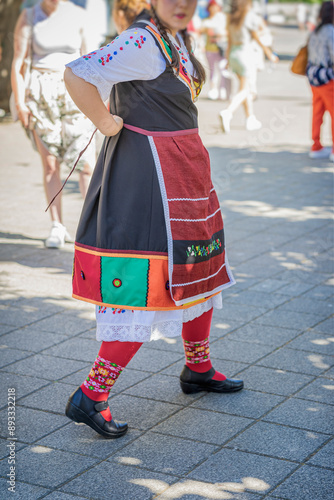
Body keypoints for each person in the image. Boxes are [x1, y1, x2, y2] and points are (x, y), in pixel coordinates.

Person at [63, 0, 243, 439]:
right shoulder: (143, 39)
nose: (182, 3)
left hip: (181, 172)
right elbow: (77, 73)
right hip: (150, 180)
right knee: (148, 284)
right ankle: (92, 395)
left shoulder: (173, 36)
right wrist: (105, 121)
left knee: (199, 267)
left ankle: (197, 367)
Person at [11, 0, 96, 248]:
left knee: (86, 163)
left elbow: (90, 59)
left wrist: (99, 100)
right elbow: (18, 61)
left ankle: (92, 227)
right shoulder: (29, 15)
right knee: (50, 165)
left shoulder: (79, 15)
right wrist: (20, 102)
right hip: (41, 94)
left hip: (74, 91)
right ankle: (57, 226)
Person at [219, 0, 278, 133]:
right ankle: (228, 111)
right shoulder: (249, 16)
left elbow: (229, 40)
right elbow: (257, 37)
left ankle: (250, 118)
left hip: (234, 52)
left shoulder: (231, 17)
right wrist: (269, 54)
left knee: (243, 87)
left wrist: (228, 58)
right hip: (245, 52)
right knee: (246, 89)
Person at [306, 1, 334, 161]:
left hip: (313, 76)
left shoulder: (315, 30)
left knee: (317, 112)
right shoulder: (330, 31)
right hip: (327, 77)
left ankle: (316, 145)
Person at [201, 0, 231, 101]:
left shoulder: (223, 18)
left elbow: (229, 32)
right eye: (211, 6)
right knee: (212, 71)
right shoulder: (206, 21)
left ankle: (222, 91)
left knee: (223, 70)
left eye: (215, 6)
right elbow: (200, 31)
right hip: (210, 49)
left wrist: (219, 35)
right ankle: (213, 90)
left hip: (222, 48)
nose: (213, 8)